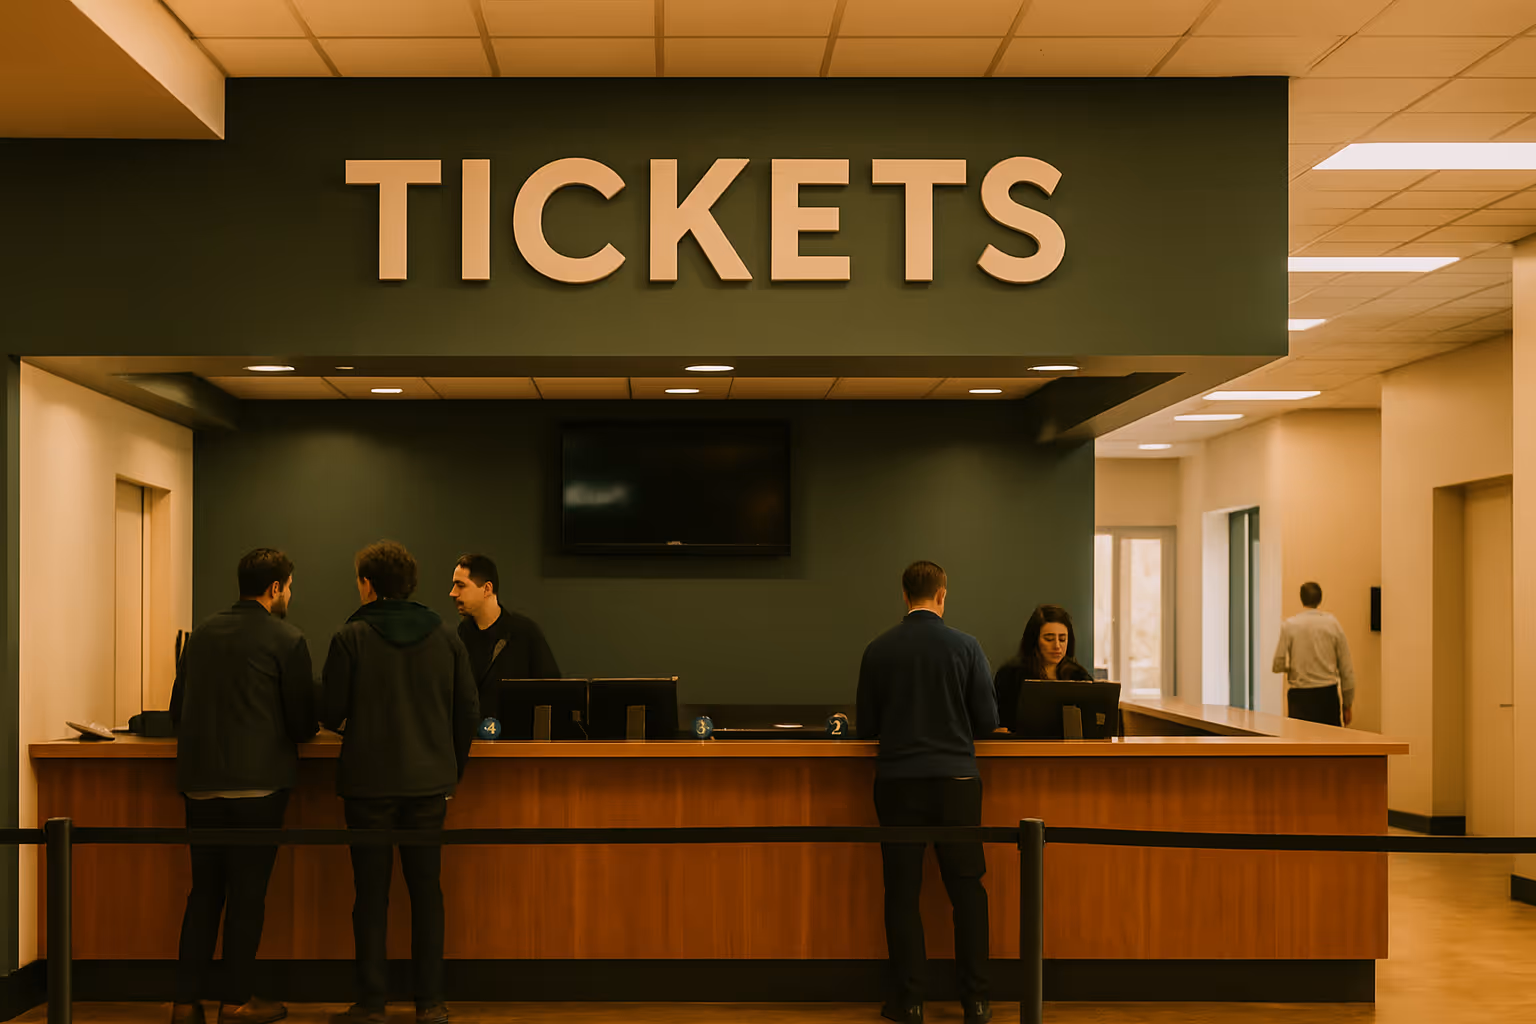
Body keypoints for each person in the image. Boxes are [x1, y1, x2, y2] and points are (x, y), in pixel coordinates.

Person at [321, 541, 479, 1024]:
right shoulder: (447, 636)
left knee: (370, 895)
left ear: (368, 584)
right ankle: (430, 1003)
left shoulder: (350, 636)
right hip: (429, 786)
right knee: (427, 893)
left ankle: (371, 1004)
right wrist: (450, 771)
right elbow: (468, 712)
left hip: (368, 785)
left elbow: (329, 712)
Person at [168, 549, 317, 1024]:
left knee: (204, 894)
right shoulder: (288, 639)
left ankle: (183, 1003)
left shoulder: (202, 634)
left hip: (200, 785)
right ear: (275, 588)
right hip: (258, 788)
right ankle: (236, 1001)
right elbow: (302, 724)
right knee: (247, 896)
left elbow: (177, 711)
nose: (290, 594)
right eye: (289, 587)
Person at [855, 561, 998, 1024]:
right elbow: (987, 723)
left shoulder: (878, 650)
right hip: (957, 782)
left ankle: (909, 1001)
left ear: (904, 594)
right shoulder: (967, 647)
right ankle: (975, 1001)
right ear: (942, 595)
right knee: (968, 891)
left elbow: (868, 727)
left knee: (902, 892)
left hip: (898, 783)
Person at [449, 553, 560, 692]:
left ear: (487, 589)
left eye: (460, 585)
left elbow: (554, 691)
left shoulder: (524, 633)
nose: (452, 593)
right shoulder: (459, 637)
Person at [993, 604, 1094, 733]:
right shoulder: (1011, 675)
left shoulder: (1079, 676)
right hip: (1023, 749)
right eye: (1049, 639)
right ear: (1034, 640)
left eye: (1062, 639)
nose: (1057, 646)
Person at [1273, 581, 1357, 727]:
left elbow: (1278, 664)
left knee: (1300, 746)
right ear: (1320, 599)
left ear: (1301, 598)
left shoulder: (1290, 625)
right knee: (1329, 745)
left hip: (1300, 697)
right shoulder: (1333, 624)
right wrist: (1347, 704)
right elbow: (1346, 667)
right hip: (1327, 696)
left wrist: (1294, 667)